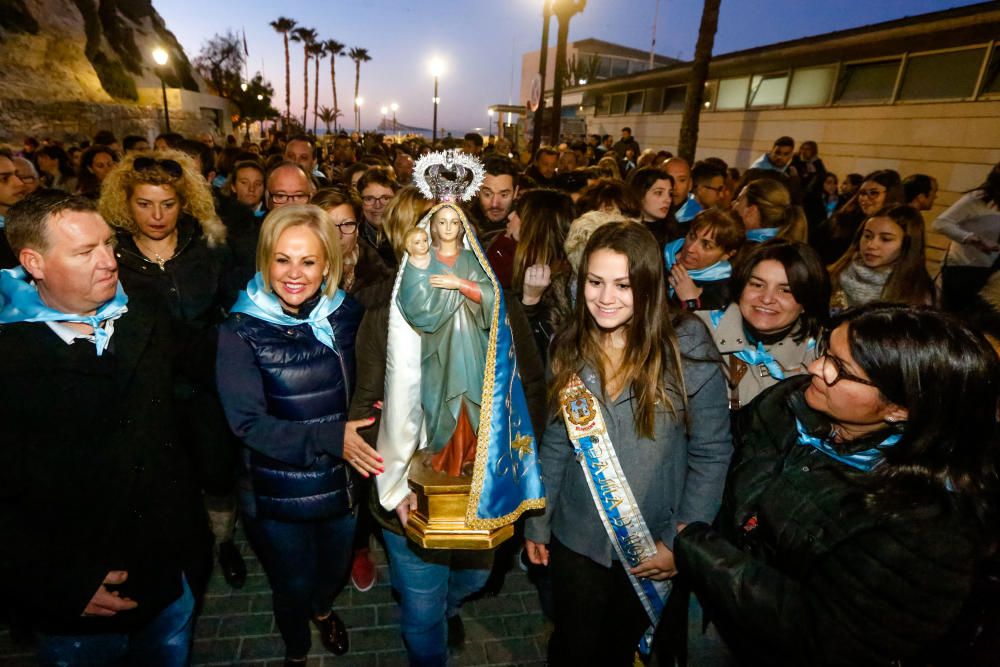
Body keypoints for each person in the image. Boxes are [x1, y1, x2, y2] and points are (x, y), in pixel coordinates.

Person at [673, 305, 1000, 665]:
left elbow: (826, 634)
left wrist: (697, 548)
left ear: (900, 408)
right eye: (826, 352)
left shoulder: (927, 522)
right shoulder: (794, 401)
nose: (815, 368)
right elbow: (727, 447)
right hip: (711, 609)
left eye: (840, 369)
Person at [0, 191, 211, 666]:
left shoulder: (141, 308)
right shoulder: (10, 350)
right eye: (84, 252)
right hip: (78, 604)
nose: (108, 261)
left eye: (108, 244)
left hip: (169, 576)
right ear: (34, 262)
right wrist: (54, 584)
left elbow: (209, 358)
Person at [524, 222, 732, 666]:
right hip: (577, 539)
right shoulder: (568, 345)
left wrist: (681, 540)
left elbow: (712, 451)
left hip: (651, 540)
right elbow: (557, 442)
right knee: (572, 646)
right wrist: (538, 522)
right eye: (595, 282)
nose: (605, 297)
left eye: (623, 285)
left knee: (619, 648)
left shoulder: (686, 344)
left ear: (651, 285)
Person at [215, 204, 377, 665]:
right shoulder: (240, 330)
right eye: (282, 259)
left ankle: (323, 611)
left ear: (327, 263)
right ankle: (297, 650)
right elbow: (246, 423)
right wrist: (330, 438)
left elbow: (371, 380)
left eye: (308, 261)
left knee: (331, 573)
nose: (294, 273)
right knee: (291, 585)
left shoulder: (346, 314)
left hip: (342, 481)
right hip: (276, 492)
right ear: (265, 260)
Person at [395, 203, 494, 476]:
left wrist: (459, 284)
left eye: (454, 222)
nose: (448, 228)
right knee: (439, 399)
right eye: (442, 222)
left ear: (463, 227)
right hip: (437, 345)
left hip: (472, 343)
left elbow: (493, 296)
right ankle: (443, 452)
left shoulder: (471, 260)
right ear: (432, 226)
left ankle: (473, 455)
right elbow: (411, 301)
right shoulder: (423, 258)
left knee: (470, 397)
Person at [698, 239, 829, 411]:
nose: (767, 299)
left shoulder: (822, 356)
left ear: (806, 302)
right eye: (757, 284)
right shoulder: (695, 333)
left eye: (785, 290)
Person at [829, 204, 934, 311]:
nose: (871, 245)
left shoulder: (917, 295)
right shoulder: (837, 272)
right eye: (867, 236)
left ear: (907, 245)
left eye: (885, 239)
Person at [932, 160, 1000, 314]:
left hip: (992, 269)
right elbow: (940, 223)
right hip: (964, 267)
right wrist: (972, 238)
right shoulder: (977, 199)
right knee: (954, 314)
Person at [815, 169, 903, 265]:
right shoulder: (844, 219)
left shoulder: (900, 225)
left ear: (891, 194)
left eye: (873, 193)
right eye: (862, 193)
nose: (864, 199)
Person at [665, 208, 745, 312]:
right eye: (692, 236)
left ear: (727, 254)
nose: (690, 248)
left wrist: (691, 302)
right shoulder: (661, 251)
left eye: (706, 245)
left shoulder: (721, 294)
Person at [731, 178, 808, 244]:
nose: (732, 203)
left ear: (751, 211)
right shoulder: (783, 244)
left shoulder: (749, 252)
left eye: (738, 200)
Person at [628, 167, 673, 247]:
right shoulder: (624, 232)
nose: (668, 200)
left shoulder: (675, 234)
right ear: (640, 194)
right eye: (659, 193)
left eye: (670, 194)